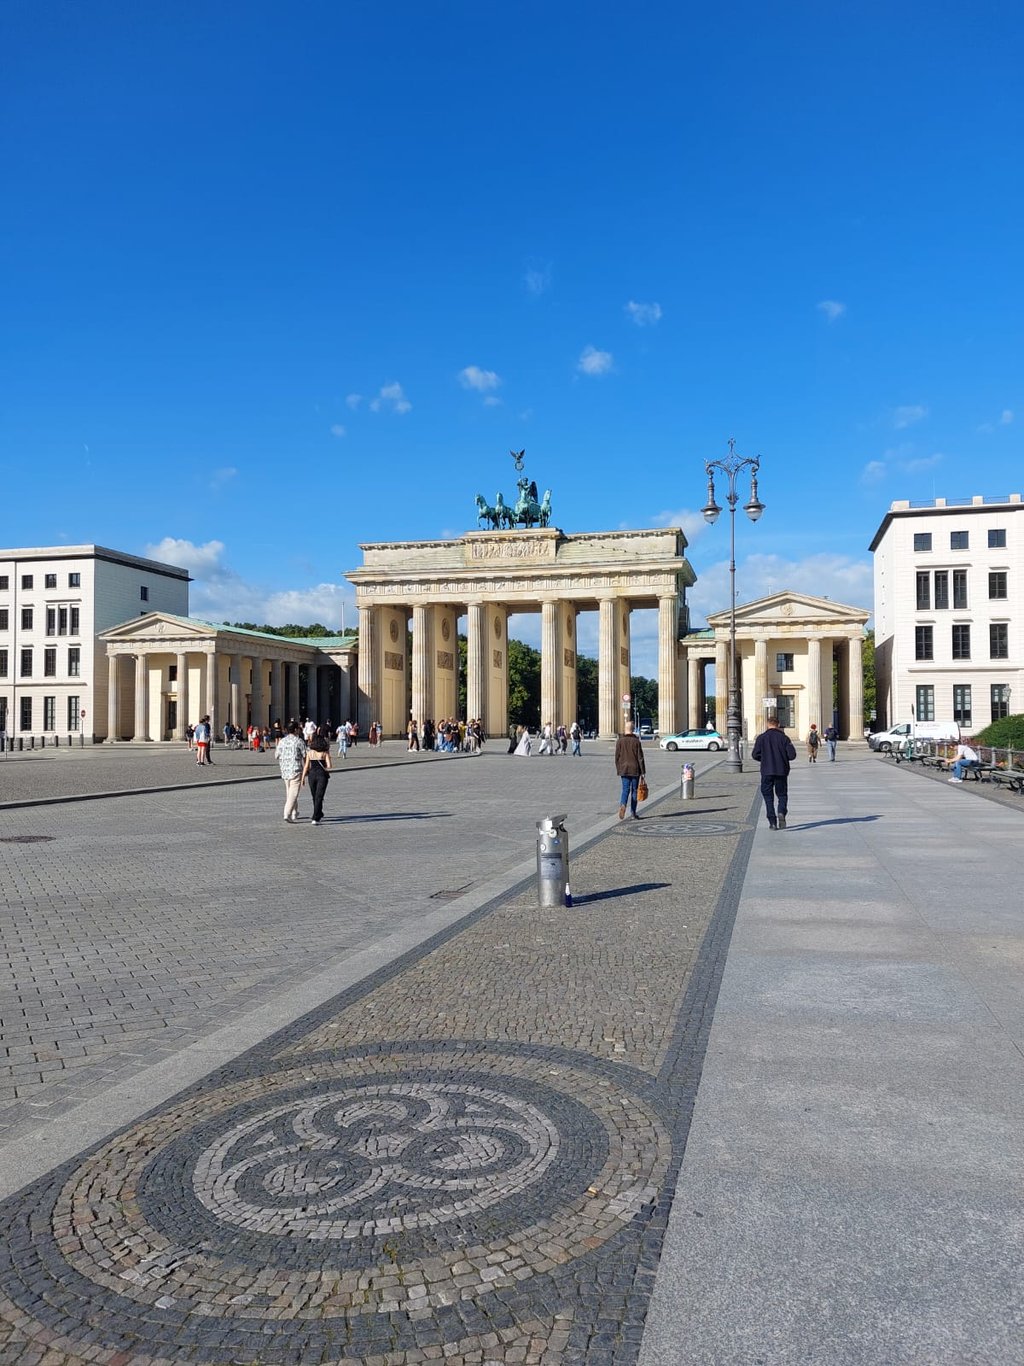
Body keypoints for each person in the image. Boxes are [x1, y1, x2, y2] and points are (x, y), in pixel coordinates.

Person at [752, 715, 798, 830]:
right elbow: (792, 755)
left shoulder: (761, 738)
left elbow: (754, 755)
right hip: (781, 771)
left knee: (768, 797)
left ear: (768, 724)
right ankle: (781, 811)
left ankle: (772, 822)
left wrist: (764, 759)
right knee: (782, 795)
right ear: (778, 725)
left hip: (766, 771)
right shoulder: (784, 738)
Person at [614, 721, 646, 820]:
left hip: (624, 769)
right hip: (635, 769)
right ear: (633, 730)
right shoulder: (636, 742)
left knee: (625, 790)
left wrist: (619, 769)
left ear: (625, 729)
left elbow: (617, 757)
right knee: (634, 791)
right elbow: (640, 757)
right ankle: (633, 812)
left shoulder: (620, 741)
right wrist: (643, 771)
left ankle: (623, 805)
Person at [301, 725, 333, 824]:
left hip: (311, 775)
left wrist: (303, 778)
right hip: (322, 775)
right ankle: (316, 816)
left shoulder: (310, 753)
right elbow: (329, 766)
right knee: (320, 795)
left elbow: (306, 766)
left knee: (314, 795)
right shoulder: (325, 753)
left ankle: (318, 812)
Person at [276, 721, 306, 822]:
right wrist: (307, 769)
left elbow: (276, 755)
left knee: (290, 792)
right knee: (293, 793)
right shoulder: (299, 741)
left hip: (285, 770)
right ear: (296, 730)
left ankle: (294, 813)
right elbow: (305, 755)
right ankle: (287, 813)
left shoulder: (282, 741)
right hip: (296, 769)